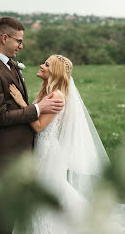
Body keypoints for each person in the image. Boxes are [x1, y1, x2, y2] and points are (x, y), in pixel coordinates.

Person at [10, 54, 124, 234]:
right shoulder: (48, 92)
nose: (41, 65)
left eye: (46, 64)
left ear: (54, 72)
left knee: (47, 194)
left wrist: (21, 102)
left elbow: (39, 126)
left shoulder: (57, 96)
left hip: (47, 153)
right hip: (41, 149)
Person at [0, 17, 64, 234]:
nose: (21, 46)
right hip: (6, 151)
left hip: (22, 150)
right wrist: (37, 108)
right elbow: (0, 117)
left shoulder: (11, 65)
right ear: (4, 38)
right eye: (18, 41)